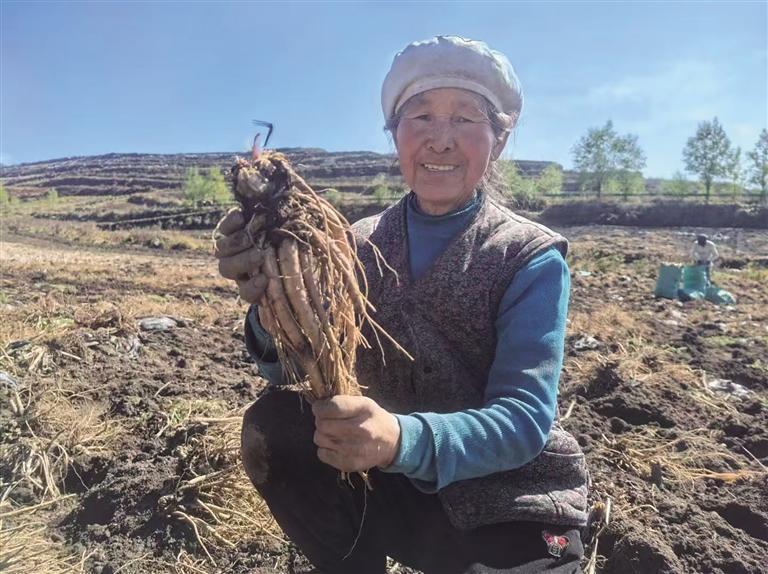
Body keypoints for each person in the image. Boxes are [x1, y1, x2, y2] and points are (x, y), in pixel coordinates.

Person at [214, 36, 588, 574]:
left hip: (510, 501)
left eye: (465, 119)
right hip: (392, 488)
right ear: (395, 135)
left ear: (499, 140)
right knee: (278, 425)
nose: (441, 140)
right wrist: (269, 301)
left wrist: (399, 439)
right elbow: (288, 368)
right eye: (420, 117)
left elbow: (524, 421)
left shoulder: (528, 256)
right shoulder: (353, 244)